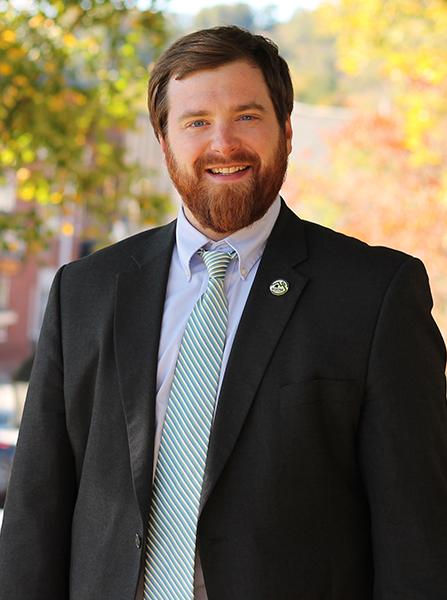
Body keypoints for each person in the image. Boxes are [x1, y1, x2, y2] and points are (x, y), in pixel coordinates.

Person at [0, 25, 446, 600]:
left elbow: (416, 533)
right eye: (196, 122)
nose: (223, 143)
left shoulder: (376, 294)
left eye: (247, 116)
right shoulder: (85, 291)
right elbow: (36, 512)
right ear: (164, 141)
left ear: (287, 131)